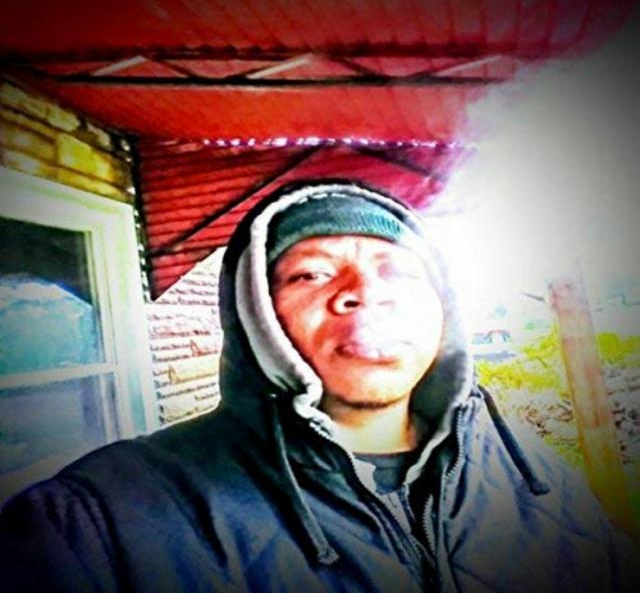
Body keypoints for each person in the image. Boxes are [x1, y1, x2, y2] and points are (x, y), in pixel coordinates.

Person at [0, 179, 637, 592]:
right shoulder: (94, 525)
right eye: (310, 274)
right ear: (255, 316)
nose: (363, 292)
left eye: (397, 271)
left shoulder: (541, 479)